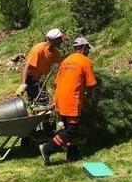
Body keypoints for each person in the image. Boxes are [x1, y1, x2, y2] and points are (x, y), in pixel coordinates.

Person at [39, 37, 97, 165]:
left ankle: (73, 154)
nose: (88, 51)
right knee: (72, 130)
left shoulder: (66, 61)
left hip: (60, 98)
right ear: (84, 48)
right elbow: (91, 84)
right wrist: (89, 98)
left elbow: (56, 82)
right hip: (72, 101)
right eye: (88, 49)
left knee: (68, 127)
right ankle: (47, 148)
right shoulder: (85, 61)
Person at [16, 28, 64, 106]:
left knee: (42, 101)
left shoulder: (55, 53)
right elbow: (26, 66)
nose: (62, 41)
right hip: (31, 80)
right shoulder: (38, 49)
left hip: (41, 80)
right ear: (54, 40)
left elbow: (63, 65)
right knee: (39, 102)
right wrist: (23, 84)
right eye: (60, 39)